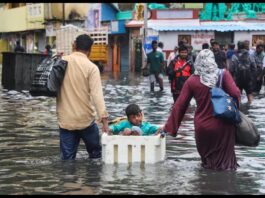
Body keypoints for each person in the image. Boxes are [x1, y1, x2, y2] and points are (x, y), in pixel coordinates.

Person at [163, 49, 241, 171]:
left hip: (202, 127)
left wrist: (169, 128)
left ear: (198, 62)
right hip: (223, 126)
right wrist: (235, 114)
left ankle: (206, 187)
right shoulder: (223, 74)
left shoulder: (192, 80)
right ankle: (224, 186)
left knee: (207, 163)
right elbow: (236, 94)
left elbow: (180, 105)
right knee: (227, 165)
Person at [57, 34, 109, 160]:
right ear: (90, 50)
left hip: (66, 121)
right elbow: (97, 96)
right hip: (86, 120)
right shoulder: (91, 68)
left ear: (74, 46)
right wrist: (104, 120)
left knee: (67, 161)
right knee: (96, 157)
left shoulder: (61, 62)